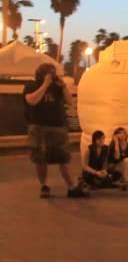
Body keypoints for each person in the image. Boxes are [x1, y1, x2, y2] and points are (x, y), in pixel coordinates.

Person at [23, 63, 89, 198]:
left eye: (53, 73)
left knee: (63, 159)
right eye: (49, 73)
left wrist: (63, 86)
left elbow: (70, 102)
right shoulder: (31, 85)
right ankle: (44, 186)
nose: (52, 75)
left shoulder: (57, 87)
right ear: (42, 74)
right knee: (40, 159)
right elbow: (32, 100)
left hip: (58, 127)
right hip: (39, 127)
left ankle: (71, 187)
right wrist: (45, 85)